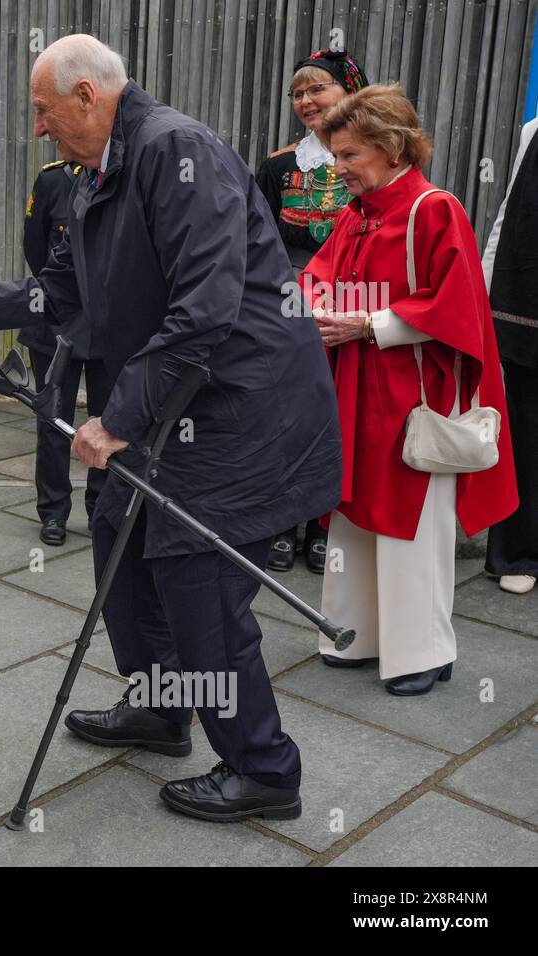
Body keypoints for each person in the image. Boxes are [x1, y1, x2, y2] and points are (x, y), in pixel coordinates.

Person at [0, 35, 341, 822]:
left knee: (198, 582)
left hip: (238, 408)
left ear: (88, 97)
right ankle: (164, 705)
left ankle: (264, 768)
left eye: (43, 110)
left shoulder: (178, 154)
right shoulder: (100, 169)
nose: (38, 127)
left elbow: (204, 309)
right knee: (119, 540)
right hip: (173, 405)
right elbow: (67, 289)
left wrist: (119, 418)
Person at [301, 85, 517, 694]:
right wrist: (318, 302)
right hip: (358, 384)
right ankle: (351, 634)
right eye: (335, 155)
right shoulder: (357, 212)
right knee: (353, 515)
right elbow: (320, 273)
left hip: (414, 392)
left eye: (348, 155)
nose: (337, 168)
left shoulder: (435, 207)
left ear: (391, 149)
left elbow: (460, 307)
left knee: (413, 528)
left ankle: (422, 653)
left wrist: (369, 322)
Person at [255, 48, 369, 573]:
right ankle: (281, 522)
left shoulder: (375, 165)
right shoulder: (278, 166)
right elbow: (256, 244)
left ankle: (325, 524)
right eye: (298, 93)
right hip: (290, 307)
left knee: (340, 419)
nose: (306, 100)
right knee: (288, 417)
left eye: (317, 88)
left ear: (350, 92)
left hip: (354, 311)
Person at [21, 159, 108, 546]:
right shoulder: (53, 179)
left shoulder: (128, 176)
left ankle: (102, 507)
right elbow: (35, 247)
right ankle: (53, 511)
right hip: (57, 319)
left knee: (110, 421)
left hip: (111, 322)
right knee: (53, 420)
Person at [482, 116, 538, 596]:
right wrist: (482, 290)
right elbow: (508, 215)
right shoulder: (532, 131)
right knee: (525, 430)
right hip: (527, 305)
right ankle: (519, 552)